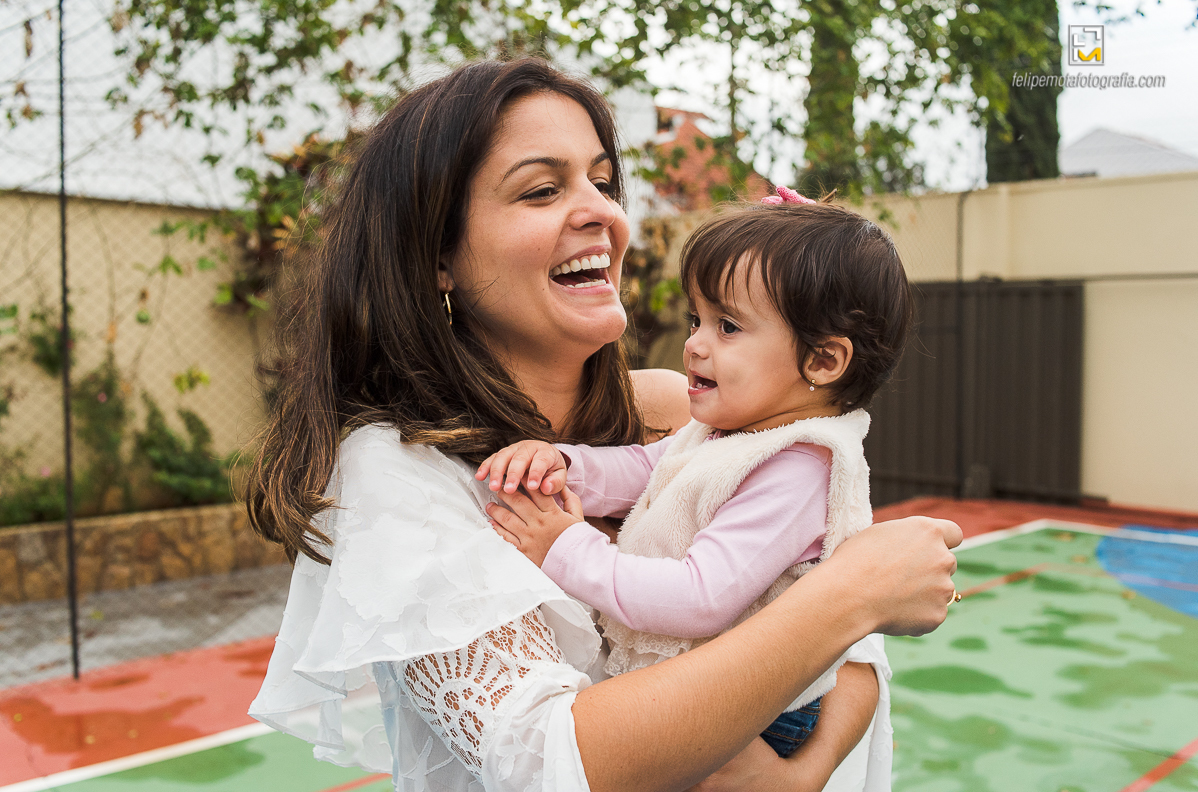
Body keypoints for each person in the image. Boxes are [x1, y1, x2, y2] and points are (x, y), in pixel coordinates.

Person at [245, 56, 961, 792]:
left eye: (604, 182)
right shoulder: (400, 470)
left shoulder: (685, 414)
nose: (603, 213)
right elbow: (543, 760)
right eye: (542, 189)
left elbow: (840, 638)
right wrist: (851, 595)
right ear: (436, 256)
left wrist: (801, 771)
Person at [477, 194, 911, 771]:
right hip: (701, 681)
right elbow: (645, 468)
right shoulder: (731, 430)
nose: (695, 344)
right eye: (696, 320)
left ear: (823, 361)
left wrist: (566, 548)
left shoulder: (799, 469)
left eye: (727, 326)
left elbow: (699, 597)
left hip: (760, 720)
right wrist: (563, 465)